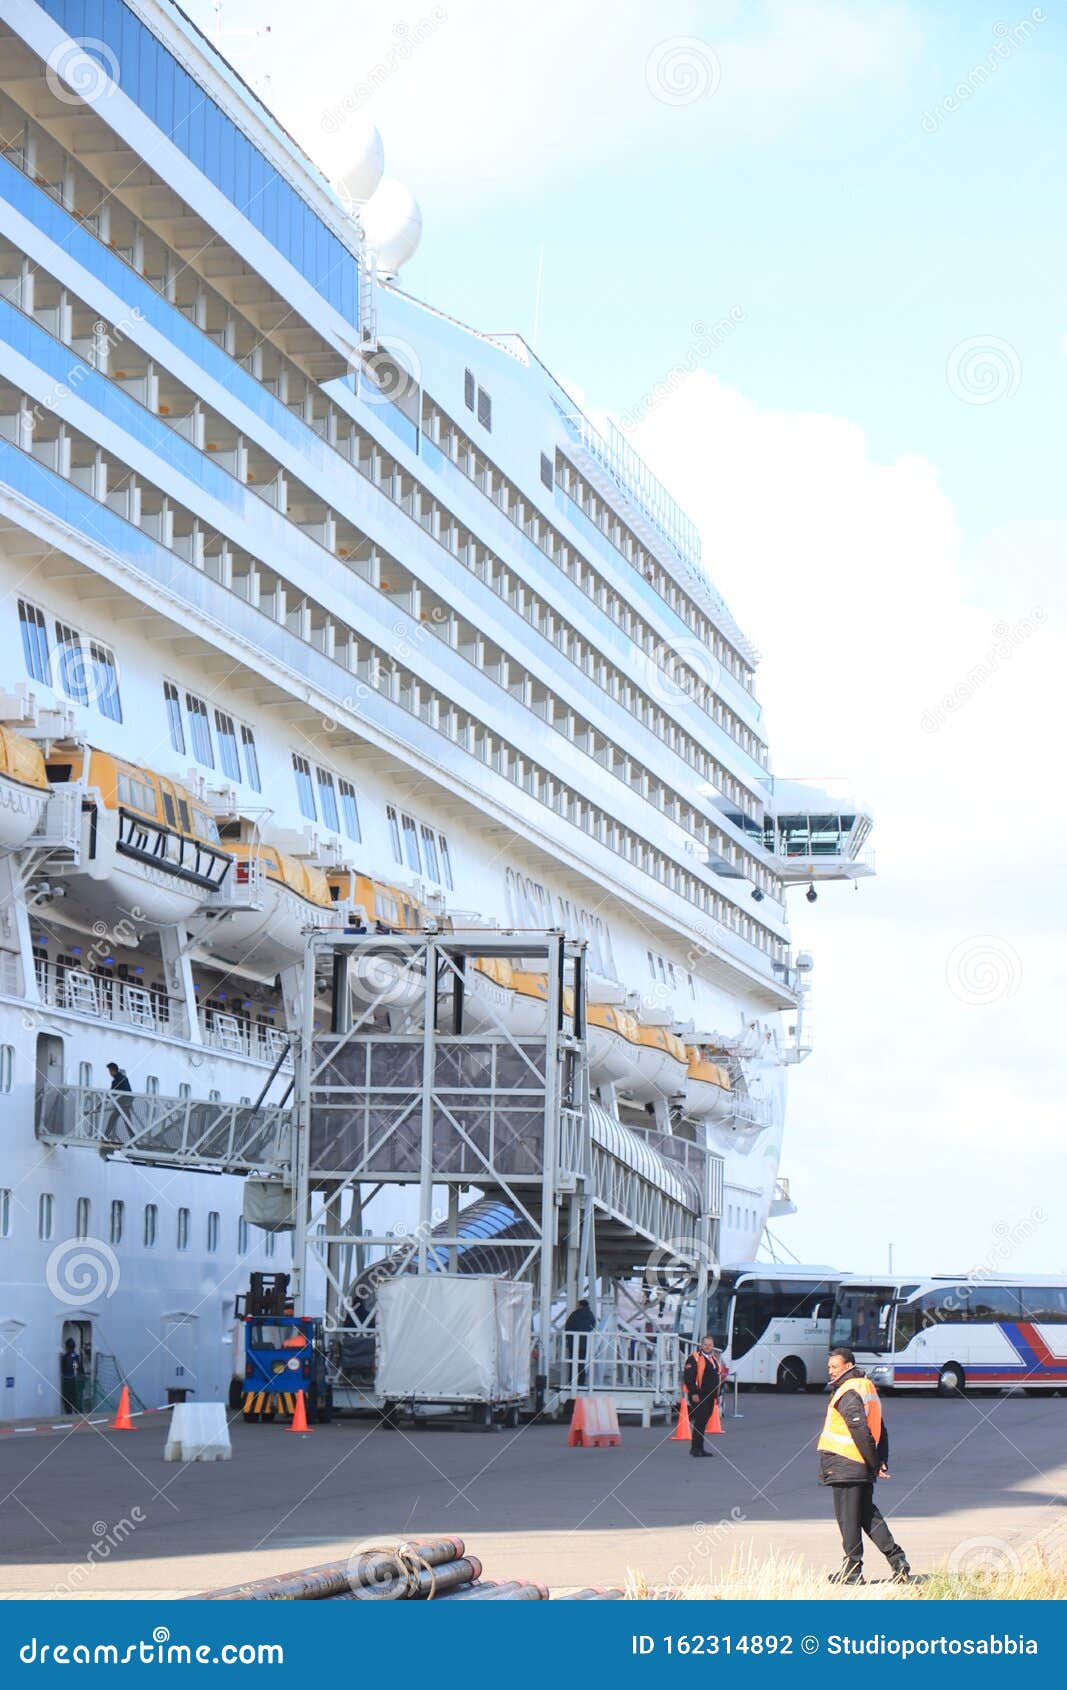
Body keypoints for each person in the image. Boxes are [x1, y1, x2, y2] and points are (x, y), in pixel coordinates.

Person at [819, 1346, 911, 1584]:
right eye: (829, 1367)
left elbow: (860, 1430)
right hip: (857, 1464)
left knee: (848, 1518)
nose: (830, 1371)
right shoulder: (865, 1386)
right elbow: (880, 1427)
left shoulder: (848, 1392)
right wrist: (881, 1459)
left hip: (846, 1463)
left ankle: (852, 1569)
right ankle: (897, 1559)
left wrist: (874, 1463)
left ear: (848, 1366)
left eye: (834, 1367)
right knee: (866, 1515)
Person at [683, 1334, 724, 1458]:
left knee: (703, 1422)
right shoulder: (694, 1358)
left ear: (713, 1346)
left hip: (711, 1396)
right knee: (700, 1422)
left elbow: (717, 1377)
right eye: (705, 1344)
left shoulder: (714, 1359)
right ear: (701, 1345)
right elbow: (688, 1377)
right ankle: (696, 1449)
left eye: (710, 1345)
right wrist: (693, 1393)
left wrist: (718, 1394)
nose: (707, 1347)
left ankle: (699, 1447)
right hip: (700, 1395)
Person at [563, 1298, 596, 1389]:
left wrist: (568, 1340)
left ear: (580, 1305)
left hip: (573, 1343)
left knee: (573, 1362)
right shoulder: (590, 1315)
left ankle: (572, 1381)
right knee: (581, 1362)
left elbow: (568, 1327)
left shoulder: (575, 1314)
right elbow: (592, 1326)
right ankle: (581, 1381)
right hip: (584, 1343)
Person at [59, 1337, 84, 1414]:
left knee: (67, 1401)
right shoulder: (76, 1356)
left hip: (66, 1381)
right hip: (74, 1380)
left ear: (66, 1347)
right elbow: (79, 1368)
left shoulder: (65, 1357)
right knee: (75, 1400)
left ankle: (69, 1416)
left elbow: (63, 1369)